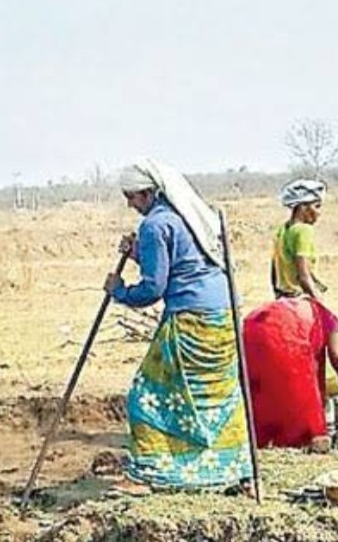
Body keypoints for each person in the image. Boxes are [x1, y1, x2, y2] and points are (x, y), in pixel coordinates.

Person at [103, 158, 254, 496]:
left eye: (131, 197)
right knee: (219, 396)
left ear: (147, 193)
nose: (129, 204)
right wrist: (140, 254)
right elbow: (186, 263)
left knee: (146, 395)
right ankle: (238, 471)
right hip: (225, 319)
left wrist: (119, 291)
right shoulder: (193, 217)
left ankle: (146, 474)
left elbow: (153, 289)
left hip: (191, 323)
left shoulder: (155, 226)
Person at [243, 179, 338, 452]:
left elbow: (275, 271)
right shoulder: (303, 230)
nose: (318, 212)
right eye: (316, 206)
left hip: (279, 300)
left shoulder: (282, 231)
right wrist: (319, 302)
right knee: (335, 345)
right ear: (302, 208)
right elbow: (303, 274)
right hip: (301, 302)